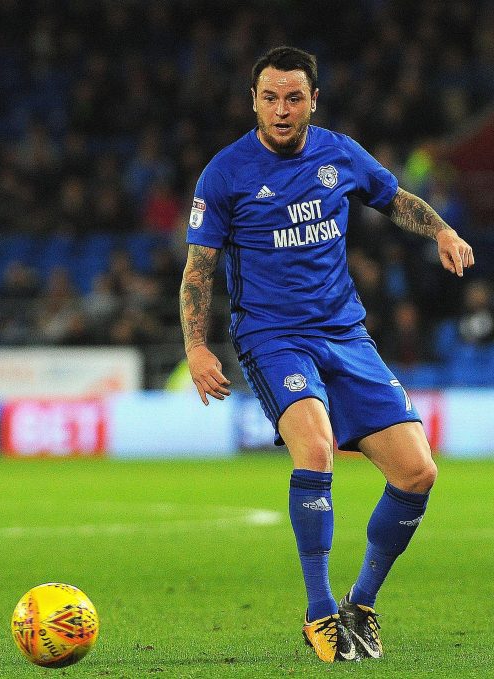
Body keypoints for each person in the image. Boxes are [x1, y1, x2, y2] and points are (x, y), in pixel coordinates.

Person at [179, 47, 474, 663]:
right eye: (269, 97)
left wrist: (442, 229)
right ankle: (319, 615)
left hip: (346, 335)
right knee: (315, 450)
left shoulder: (338, 153)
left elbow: (394, 198)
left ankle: (360, 605)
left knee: (418, 472)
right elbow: (198, 270)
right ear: (253, 101)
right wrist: (197, 346)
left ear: (313, 100)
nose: (281, 110)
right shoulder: (225, 173)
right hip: (272, 338)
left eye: (293, 97)